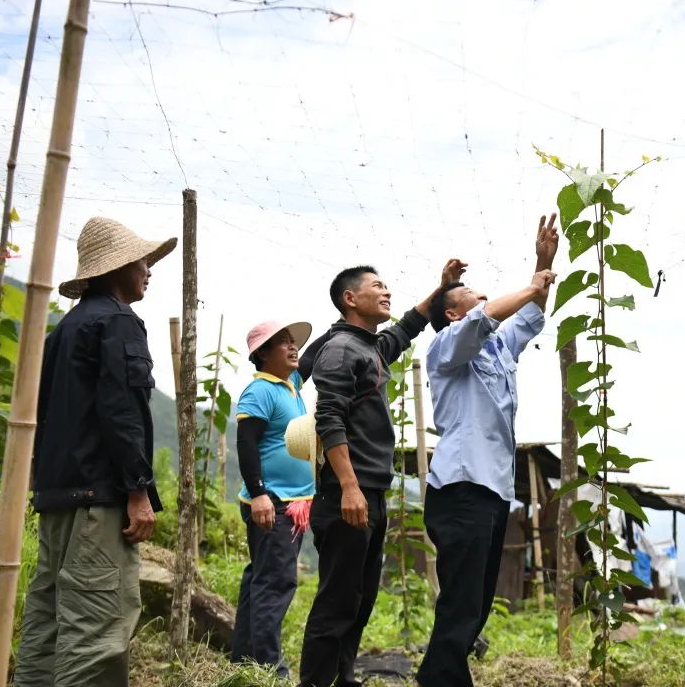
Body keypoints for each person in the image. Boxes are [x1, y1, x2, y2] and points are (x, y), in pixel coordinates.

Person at [16, 217, 176, 687]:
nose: (149, 270)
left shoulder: (65, 328)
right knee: (96, 631)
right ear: (118, 267)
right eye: (142, 261)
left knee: (48, 624)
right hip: (96, 502)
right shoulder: (117, 321)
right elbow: (122, 411)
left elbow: (43, 411)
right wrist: (138, 489)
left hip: (58, 498)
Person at [298, 258, 466, 687]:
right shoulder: (341, 349)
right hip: (346, 495)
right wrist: (349, 487)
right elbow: (329, 419)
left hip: (370, 493)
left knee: (359, 599)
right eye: (377, 285)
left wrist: (442, 287)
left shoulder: (369, 347)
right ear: (350, 299)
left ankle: (343, 678)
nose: (386, 290)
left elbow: (408, 326)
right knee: (337, 602)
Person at [416, 215, 558, 687]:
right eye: (475, 297)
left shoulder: (498, 348)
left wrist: (542, 265)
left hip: (493, 489)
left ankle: (436, 677)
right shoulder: (446, 346)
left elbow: (530, 316)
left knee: (474, 602)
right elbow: (489, 315)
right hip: (461, 487)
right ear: (454, 315)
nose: (484, 300)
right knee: (461, 601)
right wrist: (529, 284)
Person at [230, 319, 315, 678]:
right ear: (263, 354)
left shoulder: (290, 384)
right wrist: (259, 494)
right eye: (283, 342)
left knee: (261, 578)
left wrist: (342, 325)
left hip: (290, 501)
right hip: (272, 502)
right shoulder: (260, 391)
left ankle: (245, 661)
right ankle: (270, 670)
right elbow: (246, 444)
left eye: (293, 341)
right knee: (276, 581)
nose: (293, 347)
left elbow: (310, 358)